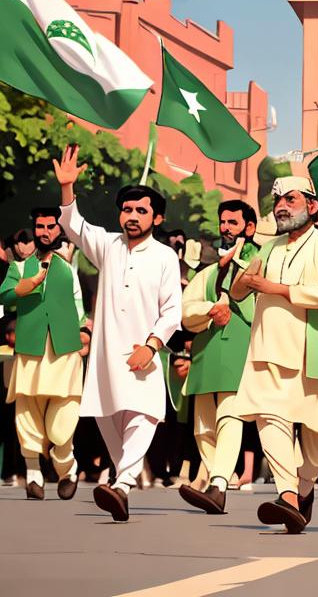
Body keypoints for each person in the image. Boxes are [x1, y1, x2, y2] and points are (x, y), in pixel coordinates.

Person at [53, 146, 182, 521]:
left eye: (141, 211)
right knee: (108, 417)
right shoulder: (108, 246)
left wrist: (153, 344)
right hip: (107, 357)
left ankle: (122, 485)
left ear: (156, 218)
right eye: (127, 210)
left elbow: (172, 309)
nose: (132, 216)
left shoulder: (164, 257)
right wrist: (67, 187)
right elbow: (74, 225)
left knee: (144, 416)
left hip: (144, 352)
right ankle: (120, 489)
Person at [228, 176, 318, 534]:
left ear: (311, 206)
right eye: (277, 200)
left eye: (289, 199)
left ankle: (303, 488)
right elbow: (238, 292)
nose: (280, 206)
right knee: (270, 419)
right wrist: (238, 273)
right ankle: (288, 496)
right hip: (266, 347)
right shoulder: (268, 247)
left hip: (310, 346)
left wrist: (276, 289)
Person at [178, 200, 258, 514]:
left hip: (239, 349)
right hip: (206, 352)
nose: (225, 228)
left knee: (230, 416)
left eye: (233, 223)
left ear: (249, 228)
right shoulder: (208, 271)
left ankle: (220, 483)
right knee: (202, 426)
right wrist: (210, 310)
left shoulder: (260, 263)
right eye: (222, 222)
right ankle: (216, 481)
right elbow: (186, 311)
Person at [0, 207, 86, 500]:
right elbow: (6, 295)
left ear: (59, 231)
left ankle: (67, 468)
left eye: (51, 226)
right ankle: (33, 473)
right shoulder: (21, 267)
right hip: (29, 348)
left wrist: (83, 334)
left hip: (64, 351)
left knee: (63, 420)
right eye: (40, 227)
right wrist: (29, 285)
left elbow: (79, 309)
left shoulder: (69, 270)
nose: (45, 231)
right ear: (34, 230)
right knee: (27, 411)